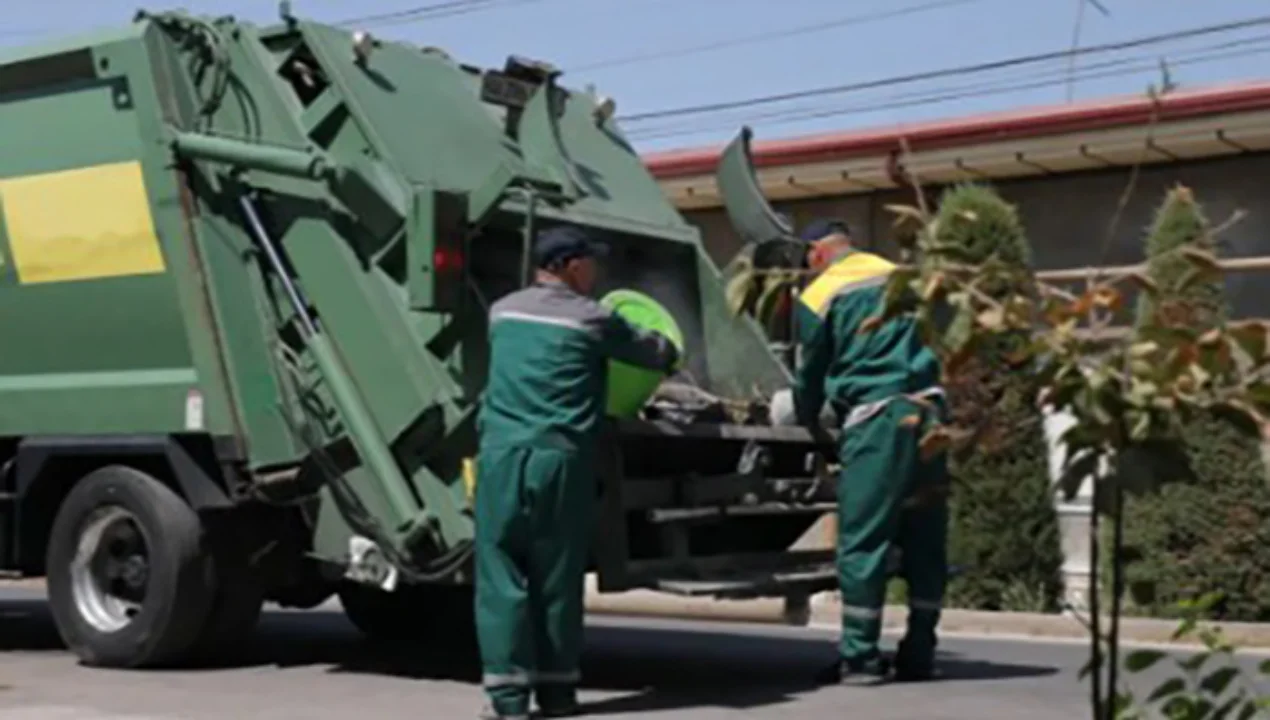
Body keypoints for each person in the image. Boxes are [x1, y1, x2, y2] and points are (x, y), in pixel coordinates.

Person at [474, 224, 680, 720]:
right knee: (556, 576)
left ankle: (506, 701)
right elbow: (654, 352)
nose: (597, 270)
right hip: (558, 458)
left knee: (501, 573)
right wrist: (667, 347)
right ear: (570, 266)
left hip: (501, 454)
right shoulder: (593, 317)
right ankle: (558, 694)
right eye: (591, 262)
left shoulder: (502, 311)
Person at [775, 217, 950, 685]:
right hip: (931, 416)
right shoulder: (902, 277)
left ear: (816, 253)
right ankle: (919, 653)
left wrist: (806, 416)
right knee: (925, 539)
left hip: (879, 420)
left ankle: (859, 657)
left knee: (862, 541)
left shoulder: (820, 294)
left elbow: (811, 372)